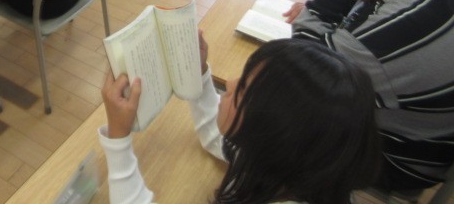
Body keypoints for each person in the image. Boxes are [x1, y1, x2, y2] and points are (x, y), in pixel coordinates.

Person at [287, 0, 454, 191]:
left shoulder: (374, 44)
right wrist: (324, 16)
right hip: (431, 145)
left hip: (395, 165)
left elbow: (300, 77)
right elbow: (368, 17)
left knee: (276, 123)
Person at [101, 36, 380, 204]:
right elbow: (219, 139)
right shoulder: (299, 166)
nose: (230, 82)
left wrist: (119, 137)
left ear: (275, 132)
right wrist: (199, 74)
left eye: (244, 88)